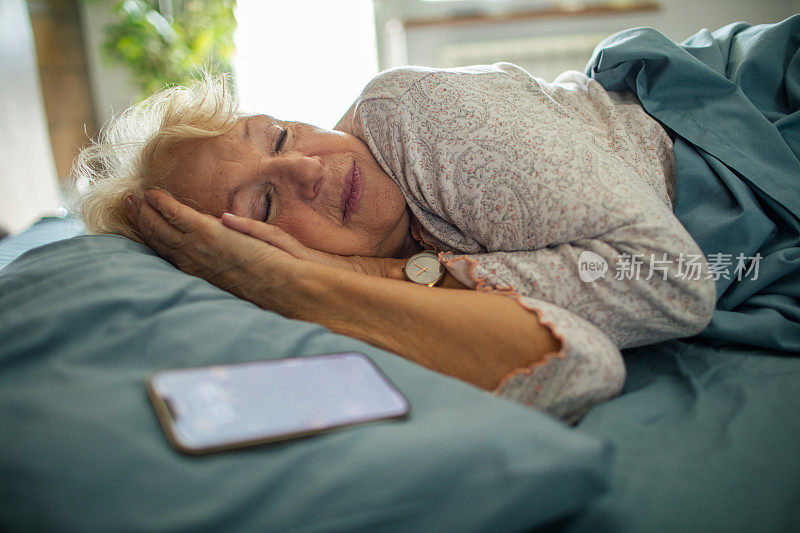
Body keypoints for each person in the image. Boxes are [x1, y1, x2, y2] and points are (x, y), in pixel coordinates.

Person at [70, 63, 715, 423]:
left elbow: (672, 282)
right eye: (263, 204)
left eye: (275, 136)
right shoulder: (341, 293)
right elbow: (586, 363)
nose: (307, 168)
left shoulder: (413, 115)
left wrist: (342, 275)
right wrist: (312, 287)